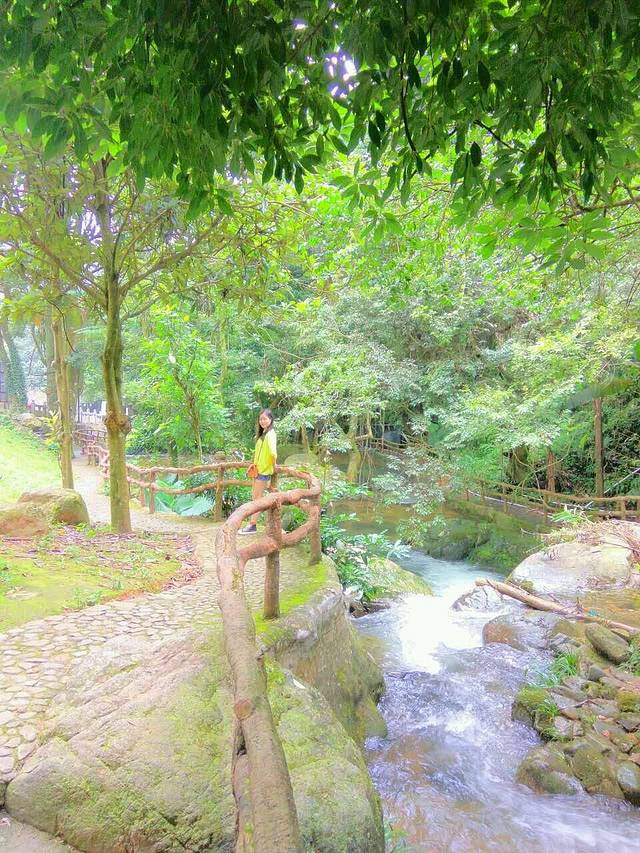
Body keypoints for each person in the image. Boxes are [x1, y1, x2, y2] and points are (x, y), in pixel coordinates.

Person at [239, 409, 277, 534]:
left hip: (264, 471)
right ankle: (254, 524)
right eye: (260, 419)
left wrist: (273, 466)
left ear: (270, 419)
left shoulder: (270, 434)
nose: (262, 421)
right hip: (258, 470)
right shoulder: (263, 434)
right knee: (256, 497)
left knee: (257, 499)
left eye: (265, 419)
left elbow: (273, 453)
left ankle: (252, 525)